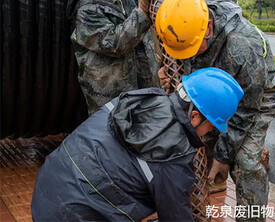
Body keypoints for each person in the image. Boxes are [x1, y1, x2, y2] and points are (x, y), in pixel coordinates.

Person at [31, 67, 244, 221]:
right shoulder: (173, 156)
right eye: (213, 126)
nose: (210, 133)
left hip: (46, 192)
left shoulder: (138, 100)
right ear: (195, 116)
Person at [156, 0, 275, 222]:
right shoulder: (189, 20)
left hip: (254, 102)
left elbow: (245, 112)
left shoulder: (243, 46)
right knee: (190, 143)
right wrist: (167, 73)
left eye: (193, 49)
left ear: (209, 28)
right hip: (212, 92)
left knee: (245, 163)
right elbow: (184, 63)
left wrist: (223, 157)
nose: (190, 56)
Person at [66, 0, 160, 115]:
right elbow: (116, 44)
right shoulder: (85, 13)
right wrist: (140, 11)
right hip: (113, 101)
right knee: (116, 140)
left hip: (145, 87)